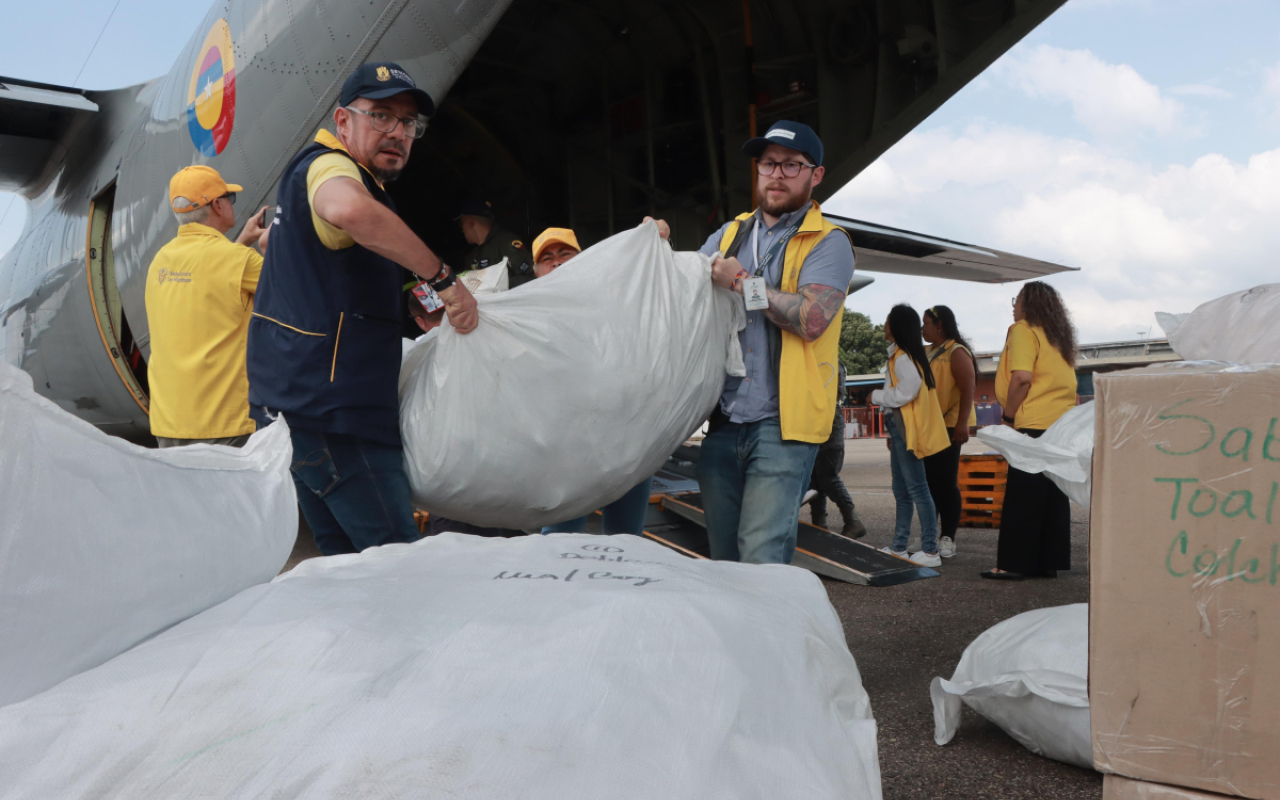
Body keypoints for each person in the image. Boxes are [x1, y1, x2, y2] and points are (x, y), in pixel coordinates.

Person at [246, 62, 478, 556]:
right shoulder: (331, 167)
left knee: (344, 566)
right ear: (342, 121)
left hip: (294, 410)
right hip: (336, 420)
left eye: (409, 123)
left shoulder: (321, 177)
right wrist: (446, 281)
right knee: (396, 564)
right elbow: (348, 210)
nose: (398, 132)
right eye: (381, 115)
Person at [698, 120, 856, 564]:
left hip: (783, 427)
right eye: (768, 164)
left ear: (815, 174)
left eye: (791, 164)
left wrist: (742, 282)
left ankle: (771, 632)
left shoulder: (829, 241)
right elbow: (683, 292)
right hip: (725, 421)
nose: (777, 174)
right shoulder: (729, 235)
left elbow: (810, 319)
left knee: (761, 554)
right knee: (724, 558)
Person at [529, 224, 666, 536]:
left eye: (565, 253)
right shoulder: (526, 315)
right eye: (547, 257)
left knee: (625, 540)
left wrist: (655, 241)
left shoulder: (618, 299)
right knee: (559, 540)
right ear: (536, 270)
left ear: (585, 258)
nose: (557, 262)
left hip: (627, 437)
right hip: (566, 446)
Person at [144, 166, 268, 448]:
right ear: (218, 204)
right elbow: (293, 286)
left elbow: (212, 280)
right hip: (224, 424)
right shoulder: (239, 261)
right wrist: (270, 244)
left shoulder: (160, 261)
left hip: (170, 424)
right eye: (229, 198)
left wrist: (242, 240)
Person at [982, 282, 1078, 580]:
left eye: (1017, 300)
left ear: (1028, 304)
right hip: (1060, 423)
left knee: (1022, 496)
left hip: (1032, 422)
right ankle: (1047, 562)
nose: (1014, 306)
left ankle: (1013, 563)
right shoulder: (1057, 335)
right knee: (1052, 495)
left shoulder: (1023, 330)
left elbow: (1022, 378)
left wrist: (1008, 416)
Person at [871, 304, 951, 568]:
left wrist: (879, 397)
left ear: (896, 327)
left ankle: (930, 550)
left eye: (887, 321)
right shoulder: (902, 355)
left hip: (906, 428)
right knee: (903, 490)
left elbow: (910, 388)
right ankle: (899, 547)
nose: (884, 325)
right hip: (900, 427)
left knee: (916, 488)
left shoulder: (903, 357)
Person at [921, 305, 976, 558]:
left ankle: (948, 537)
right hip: (930, 425)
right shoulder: (928, 351)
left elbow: (968, 388)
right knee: (929, 483)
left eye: (927, 324)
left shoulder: (956, 351)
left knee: (945, 483)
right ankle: (929, 535)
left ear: (939, 325)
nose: (923, 329)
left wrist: (963, 423)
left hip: (951, 425)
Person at [806, 362, 868, 538]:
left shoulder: (830, 361)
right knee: (815, 478)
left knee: (827, 475)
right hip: (820, 418)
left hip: (828, 419)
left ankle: (852, 520)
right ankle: (819, 525)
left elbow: (832, 392)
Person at [457, 199, 534, 288]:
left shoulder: (506, 242)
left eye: (461, 223)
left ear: (470, 223)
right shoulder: (473, 255)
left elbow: (532, 276)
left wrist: (501, 286)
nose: (461, 229)